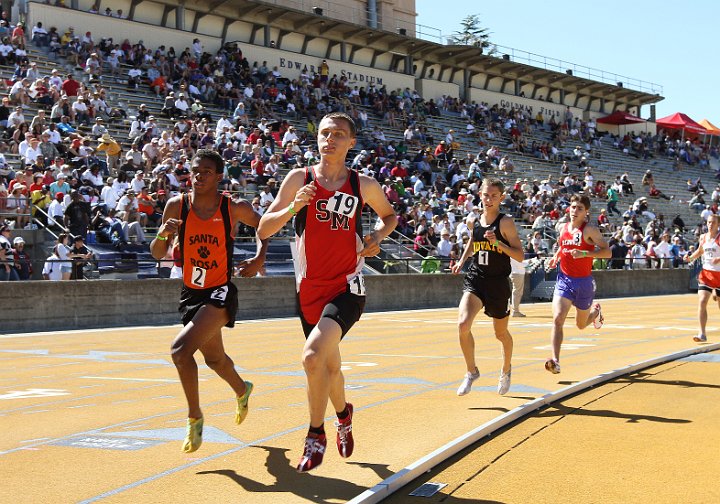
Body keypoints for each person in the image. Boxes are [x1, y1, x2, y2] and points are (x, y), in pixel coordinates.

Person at [257, 112, 397, 473]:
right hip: (309, 288)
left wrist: (376, 238)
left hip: (348, 285)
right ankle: (344, 414)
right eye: (324, 133)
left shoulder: (362, 184)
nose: (329, 139)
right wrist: (293, 207)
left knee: (311, 357)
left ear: (351, 142)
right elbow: (262, 230)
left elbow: (390, 216)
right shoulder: (298, 179)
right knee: (329, 368)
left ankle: (314, 434)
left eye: (338, 134)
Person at [150, 149, 267, 454]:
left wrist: (258, 257)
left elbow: (266, 227)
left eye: (206, 171)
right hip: (191, 293)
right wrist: (163, 235)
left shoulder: (233, 207)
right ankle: (243, 390)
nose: (198, 176)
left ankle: (194, 417)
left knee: (179, 350)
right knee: (215, 360)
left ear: (218, 177)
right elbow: (156, 254)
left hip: (220, 290)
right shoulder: (177, 206)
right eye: (194, 170)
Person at [450, 178, 525, 397]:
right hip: (476, 278)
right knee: (463, 324)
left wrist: (498, 244)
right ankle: (471, 371)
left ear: (501, 197)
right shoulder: (474, 219)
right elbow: (473, 242)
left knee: (500, 334)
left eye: (493, 196)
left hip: (498, 283)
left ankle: (506, 369)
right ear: (479, 195)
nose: (488, 199)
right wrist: (462, 261)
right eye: (485, 195)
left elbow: (519, 255)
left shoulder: (505, 222)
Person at [545, 194, 611, 374]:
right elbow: (562, 246)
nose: (575, 211)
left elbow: (607, 253)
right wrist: (555, 257)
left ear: (586, 212)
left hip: (584, 283)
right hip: (564, 280)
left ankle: (596, 312)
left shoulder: (590, 230)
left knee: (581, 325)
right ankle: (555, 360)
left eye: (579, 208)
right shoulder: (562, 227)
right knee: (558, 318)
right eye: (573, 207)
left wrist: (585, 254)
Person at [684, 213, 720, 343]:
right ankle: (702, 333)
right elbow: (700, 251)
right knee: (702, 301)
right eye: (709, 222)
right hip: (707, 274)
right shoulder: (703, 237)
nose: (710, 225)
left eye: (713, 222)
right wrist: (690, 258)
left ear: (718, 224)